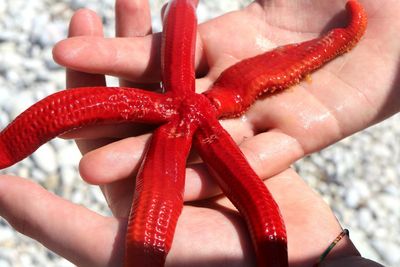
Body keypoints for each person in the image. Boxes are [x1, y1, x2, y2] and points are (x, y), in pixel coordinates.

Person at [0, 0, 397, 266]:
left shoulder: (203, 107)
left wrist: (357, 31)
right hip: (191, 117)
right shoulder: (205, 105)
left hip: (191, 119)